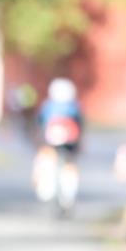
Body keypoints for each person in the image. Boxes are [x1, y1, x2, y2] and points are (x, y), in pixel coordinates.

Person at [32, 77, 83, 206]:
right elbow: (81, 126)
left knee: (46, 160)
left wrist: (39, 142)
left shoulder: (48, 106)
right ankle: (68, 194)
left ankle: (46, 189)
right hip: (70, 143)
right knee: (70, 165)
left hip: (51, 141)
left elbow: (39, 125)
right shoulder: (74, 107)